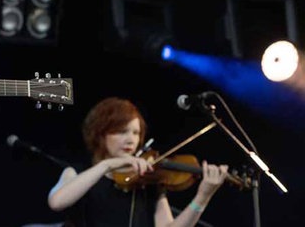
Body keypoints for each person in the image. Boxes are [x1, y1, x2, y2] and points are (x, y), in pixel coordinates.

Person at [47, 97, 229, 227]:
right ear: (100, 134)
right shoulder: (76, 173)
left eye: (135, 133)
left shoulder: (148, 183)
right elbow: (57, 202)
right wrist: (107, 165)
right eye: (121, 132)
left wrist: (202, 197)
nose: (131, 140)